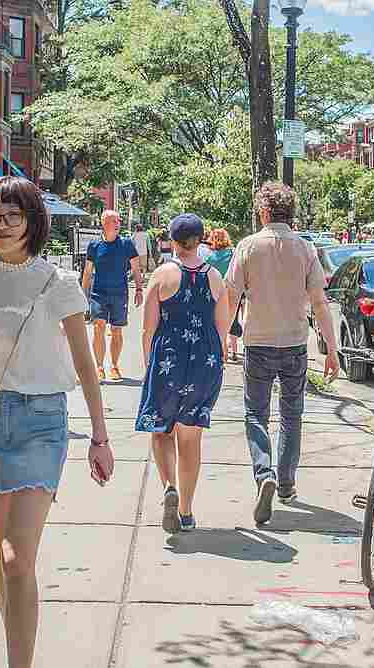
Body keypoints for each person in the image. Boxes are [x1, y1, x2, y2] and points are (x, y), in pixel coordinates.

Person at [0, 176, 114, 668]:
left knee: (16, 558)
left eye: (12, 216)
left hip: (42, 423)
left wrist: (100, 436)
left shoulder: (57, 282)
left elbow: (84, 362)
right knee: (4, 560)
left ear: (31, 223)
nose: (0, 225)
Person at [223, 181, 340, 525]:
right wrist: (331, 350)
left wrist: (221, 339)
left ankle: (264, 474)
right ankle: (286, 484)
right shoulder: (305, 249)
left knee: (255, 414)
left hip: (257, 342)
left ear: (263, 212)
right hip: (294, 343)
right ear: (290, 213)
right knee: (291, 416)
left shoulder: (247, 246)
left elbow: (232, 297)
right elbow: (320, 302)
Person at [136, 214, 228, 533]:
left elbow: (148, 329)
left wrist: (149, 364)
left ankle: (169, 487)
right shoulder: (215, 277)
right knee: (191, 438)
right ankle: (186, 512)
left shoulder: (162, 275)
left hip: (168, 358)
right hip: (204, 360)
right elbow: (222, 328)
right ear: (200, 240)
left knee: (162, 431)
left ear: (173, 241)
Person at [81, 210, 144, 381]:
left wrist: (139, 289)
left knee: (116, 330)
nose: (118, 224)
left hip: (119, 294)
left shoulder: (126, 244)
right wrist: (82, 295)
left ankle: (115, 366)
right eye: (114, 221)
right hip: (98, 293)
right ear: (104, 223)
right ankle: (99, 367)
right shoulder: (94, 245)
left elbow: (136, 268)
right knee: (98, 326)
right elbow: (87, 272)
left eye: (118, 221)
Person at [204, 228, 242, 363]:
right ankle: (234, 350)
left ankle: (222, 349)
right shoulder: (232, 253)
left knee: (217, 321)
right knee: (233, 320)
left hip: (214, 292)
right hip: (231, 291)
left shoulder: (209, 257)